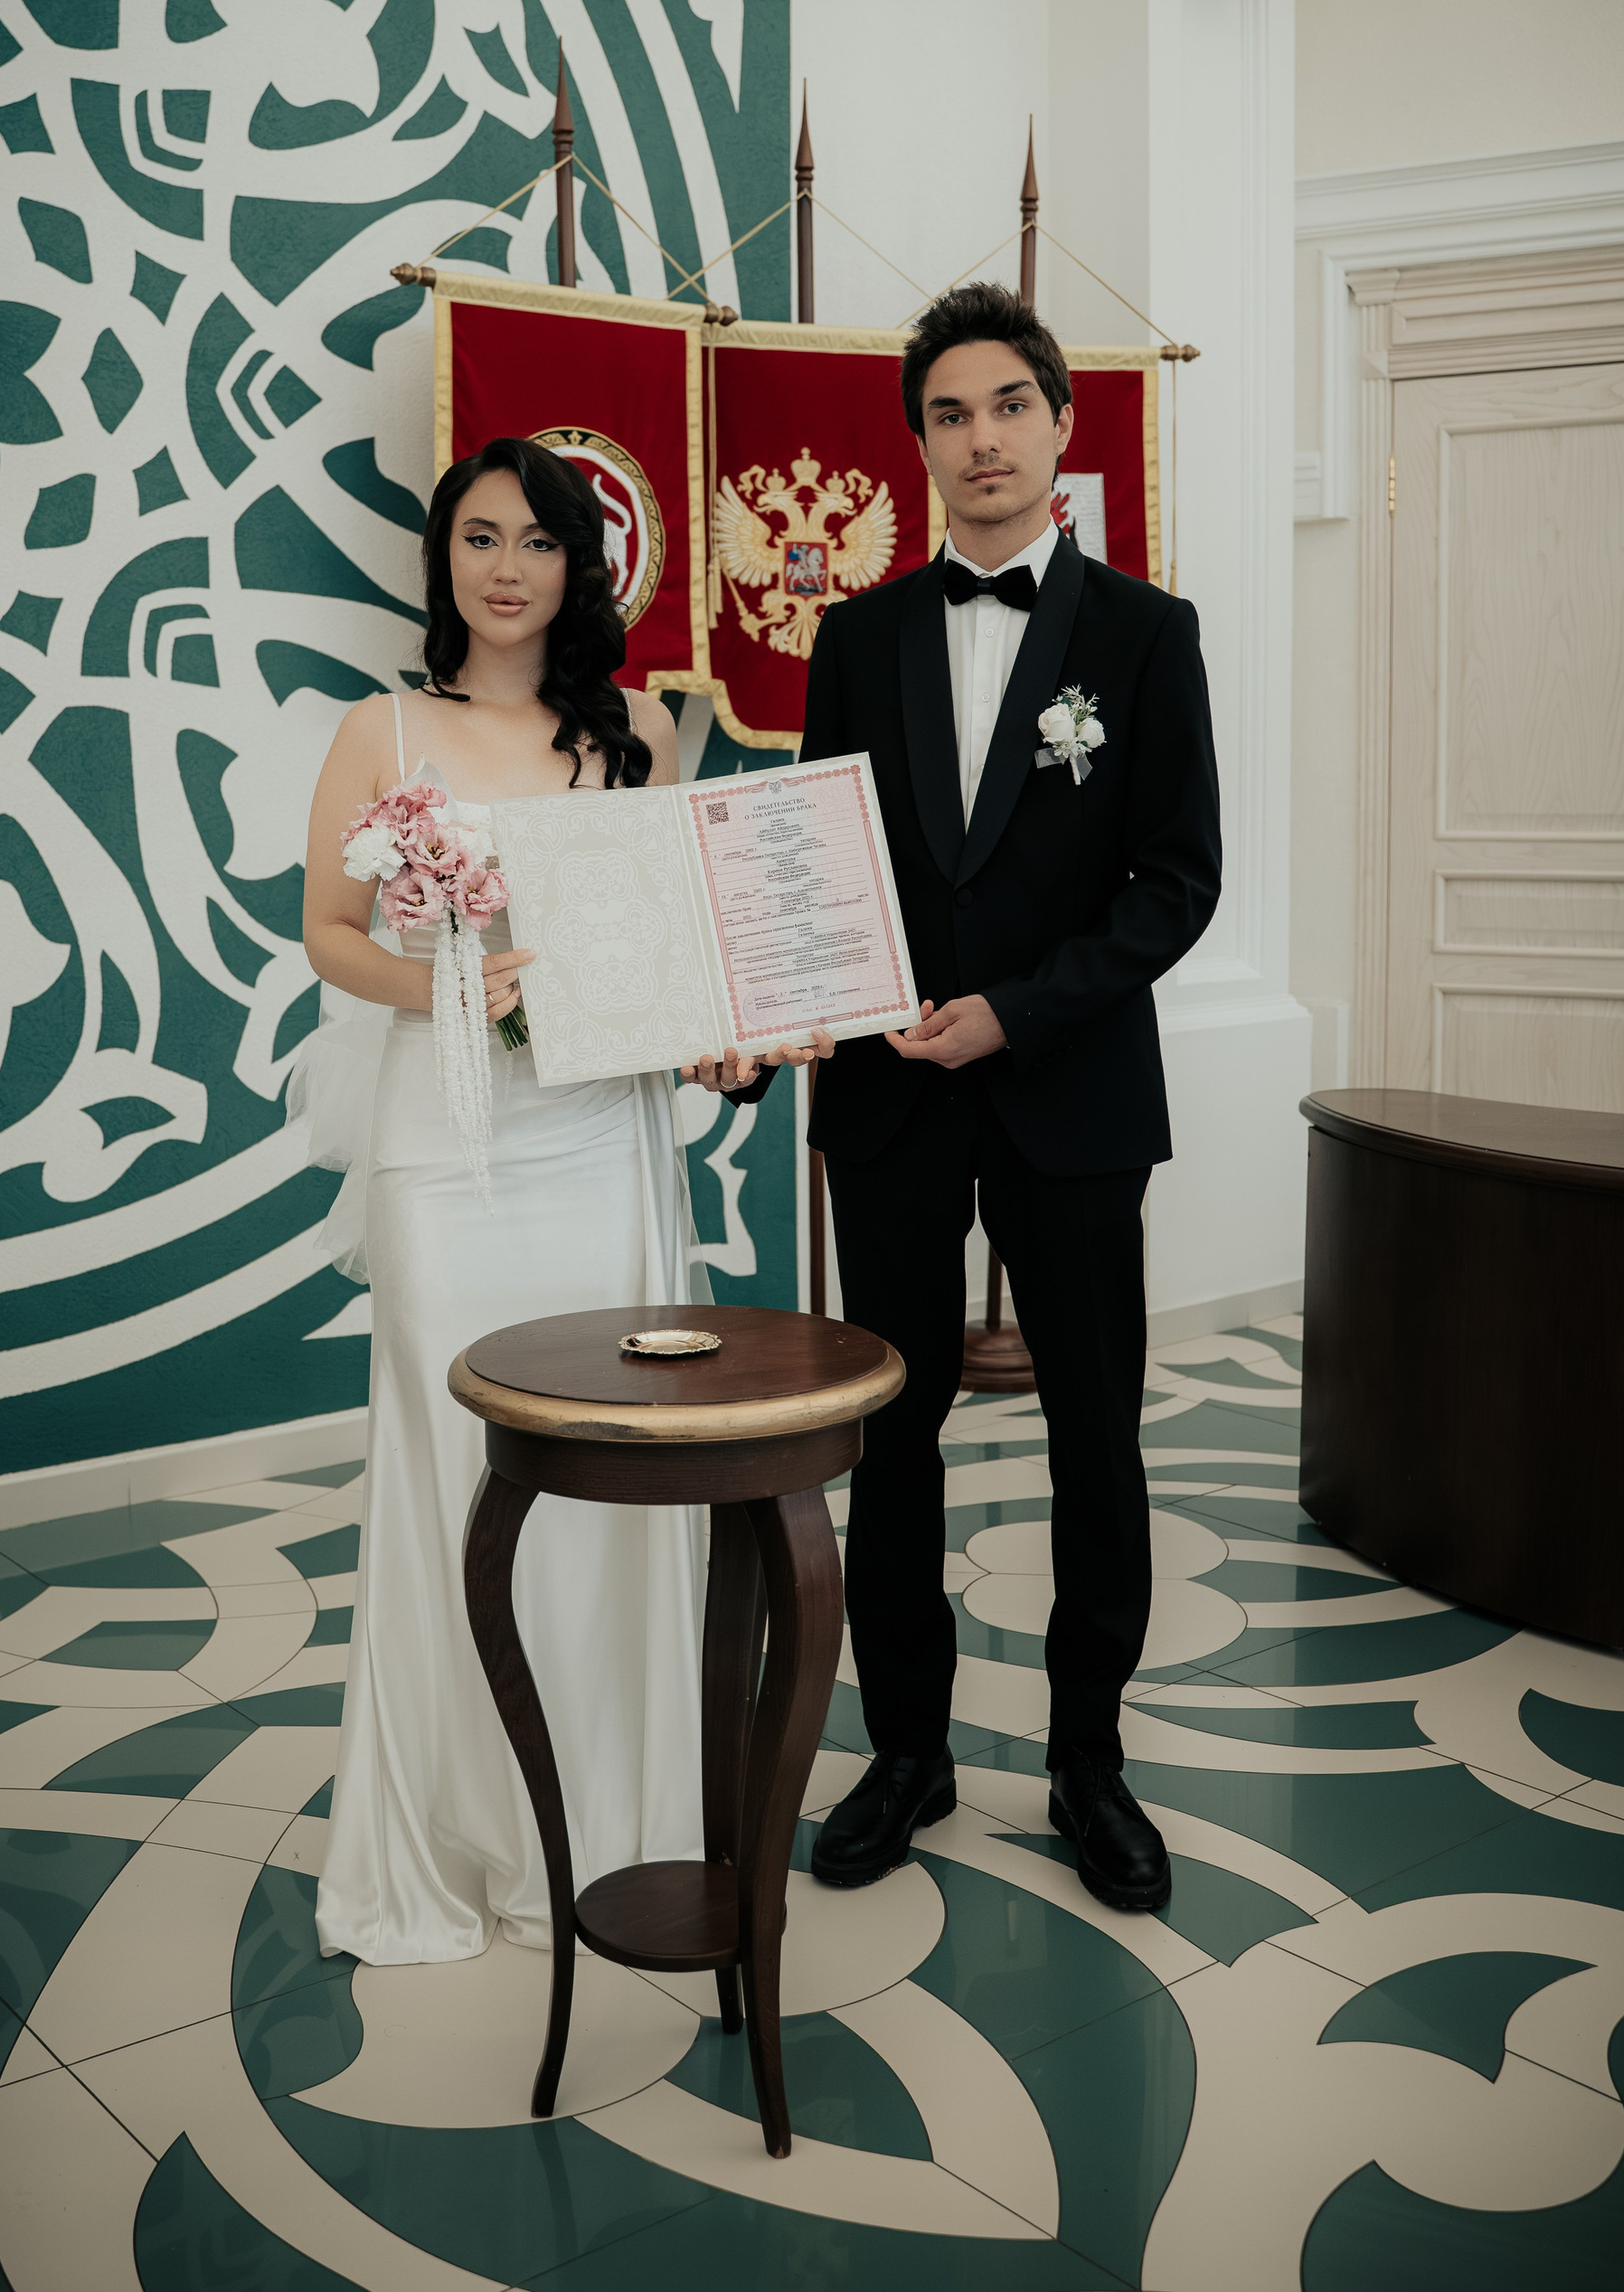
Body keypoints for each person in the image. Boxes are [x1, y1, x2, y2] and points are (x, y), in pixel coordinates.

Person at [702, 284, 1221, 1909]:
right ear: (917, 443)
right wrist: (775, 1011)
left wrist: (1016, 1012)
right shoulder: (855, 638)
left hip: (1074, 1094)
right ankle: (908, 1753)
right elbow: (826, 864)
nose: (981, 438)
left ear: (1062, 424)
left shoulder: (1146, 634)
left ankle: (1090, 1767)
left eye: (1008, 406)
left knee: (1096, 1436)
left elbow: (1176, 883)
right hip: (890, 1100)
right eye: (948, 413)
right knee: (896, 1435)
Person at [297, 434, 823, 1965]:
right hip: (448, 1142)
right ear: (442, 559)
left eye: (537, 540)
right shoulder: (383, 729)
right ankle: (453, 1839)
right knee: (452, 1468)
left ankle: (608, 1823)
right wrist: (454, 984)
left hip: (603, 1143)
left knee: (613, 1466)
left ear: (580, 567)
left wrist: (728, 1035)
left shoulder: (640, 731)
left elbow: (677, 953)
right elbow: (332, 932)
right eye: (479, 537)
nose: (507, 567)